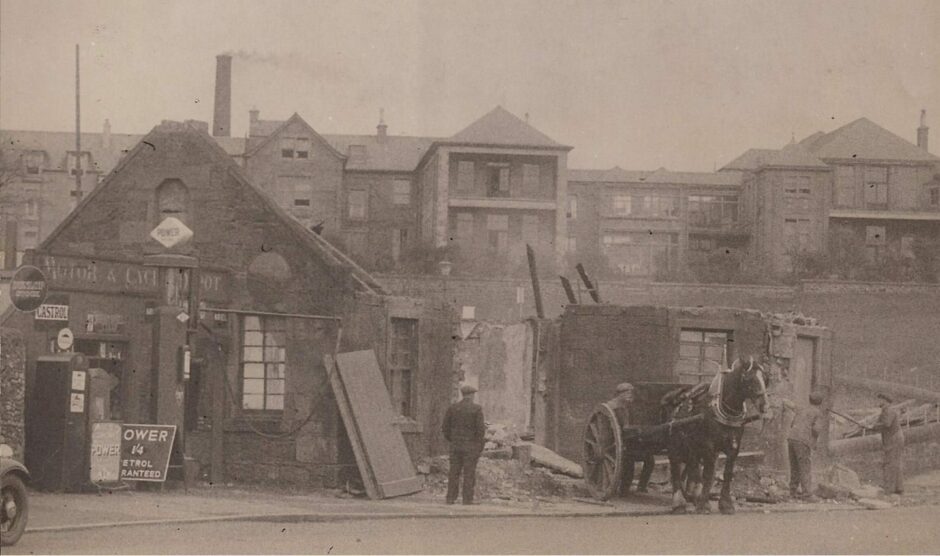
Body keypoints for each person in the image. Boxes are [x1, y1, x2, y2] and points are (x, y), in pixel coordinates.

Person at [442, 383, 486, 505]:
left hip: (455, 446)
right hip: (470, 447)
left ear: (463, 395)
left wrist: (453, 439)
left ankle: (450, 498)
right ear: (471, 396)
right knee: (469, 473)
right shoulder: (476, 409)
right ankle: (467, 500)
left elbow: (445, 428)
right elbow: (480, 430)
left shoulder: (453, 408)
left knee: (454, 472)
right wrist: (478, 445)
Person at [608, 382, 654, 495]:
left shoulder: (626, 406)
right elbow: (623, 427)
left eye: (631, 392)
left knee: (650, 459)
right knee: (629, 461)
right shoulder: (614, 407)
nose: (630, 395)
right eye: (627, 392)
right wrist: (638, 429)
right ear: (620, 394)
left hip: (628, 440)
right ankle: (624, 490)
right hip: (615, 442)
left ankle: (642, 486)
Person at [783, 391, 824, 502]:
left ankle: (792, 492)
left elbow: (790, 407)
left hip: (791, 438)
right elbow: (816, 429)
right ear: (820, 402)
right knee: (805, 467)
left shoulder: (802, 408)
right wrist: (814, 441)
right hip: (803, 441)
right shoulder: (818, 413)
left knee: (794, 466)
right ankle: (807, 495)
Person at [868, 393, 904, 496]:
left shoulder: (888, 411)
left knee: (890, 463)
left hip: (894, 439)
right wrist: (873, 427)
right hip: (893, 438)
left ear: (885, 401)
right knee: (895, 462)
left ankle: (889, 489)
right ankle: (898, 488)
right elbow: (882, 424)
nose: (877, 401)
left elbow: (886, 424)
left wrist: (873, 426)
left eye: (880, 399)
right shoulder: (885, 411)